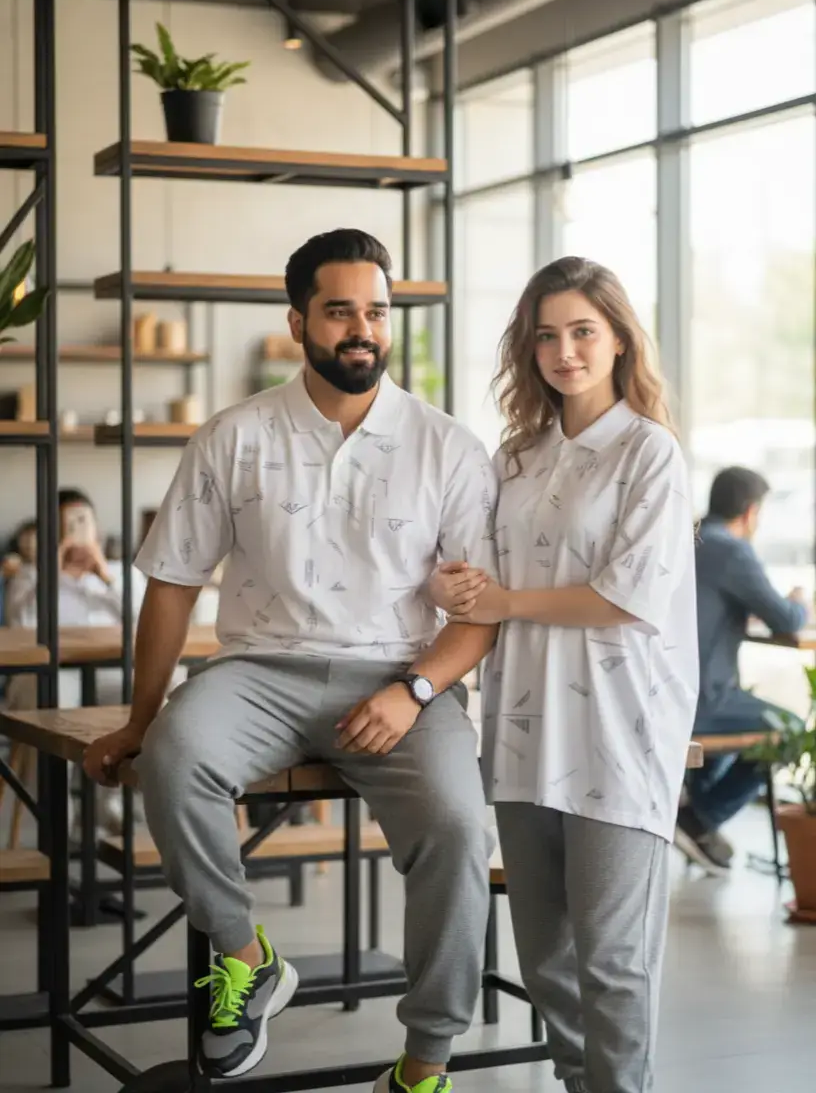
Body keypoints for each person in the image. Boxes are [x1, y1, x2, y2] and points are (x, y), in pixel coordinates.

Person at [83, 228, 499, 1085]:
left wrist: (416, 690)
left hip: (401, 678)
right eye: (340, 311)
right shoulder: (234, 435)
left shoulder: (449, 447)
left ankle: (425, 1062)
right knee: (174, 757)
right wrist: (139, 720)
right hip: (259, 674)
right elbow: (172, 584)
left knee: (459, 826)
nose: (362, 329)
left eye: (377, 311)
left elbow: (480, 614)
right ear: (298, 322)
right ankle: (248, 956)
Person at [429, 256, 698, 1093]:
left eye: (583, 331)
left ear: (619, 340)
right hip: (520, 731)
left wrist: (506, 600)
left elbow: (627, 595)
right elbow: (474, 577)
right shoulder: (515, 458)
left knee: (612, 962)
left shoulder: (649, 453)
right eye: (546, 335)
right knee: (546, 960)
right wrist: (452, 587)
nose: (565, 351)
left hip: (619, 733)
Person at [675, 466, 809, 872]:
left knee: (743, 702)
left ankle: (694, 815)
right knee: (790, 730)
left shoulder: (688, 537)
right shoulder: (731, 549)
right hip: (703, 700)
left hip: (670, 692)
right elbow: (785, 618)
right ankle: (699, 818)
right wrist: (800, 600)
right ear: (751, 512)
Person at [4, 489, 148, 835]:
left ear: (97, 527)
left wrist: (105, 576)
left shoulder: (123, 574)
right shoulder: (32, 575)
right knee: (52, 702)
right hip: (51, 674)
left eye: (83, 522)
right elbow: (20, 626)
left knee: (145, 695)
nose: (76, 531)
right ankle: (58, 813)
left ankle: (109, 804)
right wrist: (53, 571)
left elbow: (148, 625)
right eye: (66, 524)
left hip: (111, 672)